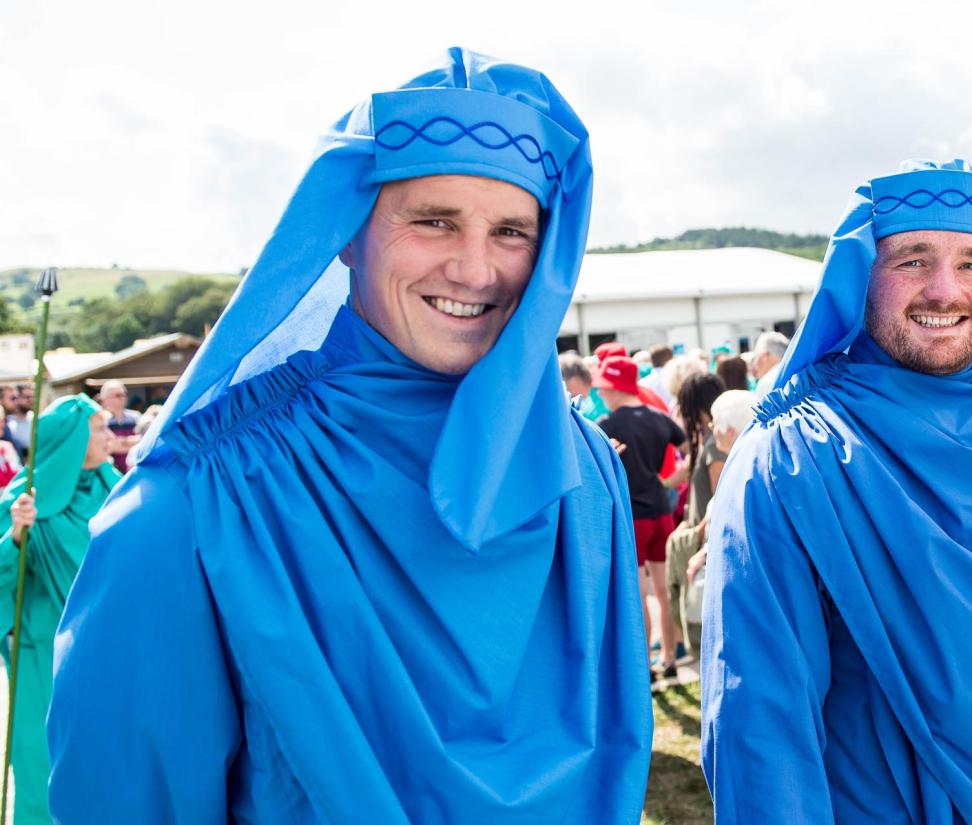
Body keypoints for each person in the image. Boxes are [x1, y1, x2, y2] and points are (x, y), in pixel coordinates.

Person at [47, 49, 652, 823]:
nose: (475, 269)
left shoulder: (585, 473)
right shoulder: (194, 508)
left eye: (511, 231)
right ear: (345, 231)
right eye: (433, 220)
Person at [700, 160, 972, 823]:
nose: (943, 289)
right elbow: (760, 729)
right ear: (859, 275)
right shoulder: (791, 460)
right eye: (912, 259)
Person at [1, 395, 119, 824]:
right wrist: (16, 538)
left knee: (103, 760)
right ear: (71, 441)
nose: (111, 437)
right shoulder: (22, 503)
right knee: (41, 763)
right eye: (100, 429)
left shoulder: (116, 487)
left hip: (103, 651)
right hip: (41, 655)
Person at [595, 355, 687, 680]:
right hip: (661, 511)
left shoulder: (607, 425)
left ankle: (645, 665)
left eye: (604, 388)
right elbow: (690, 447)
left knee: (638, 594)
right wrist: (670, 481)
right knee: (663, 592)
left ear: (615, 387)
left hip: (633, 517)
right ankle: (671, 658)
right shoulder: (658, 417)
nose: (601, 394)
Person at [664, 372, 726, 659]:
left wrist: (702, 535)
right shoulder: (709, 438)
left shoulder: (716, 442)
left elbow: (720, 496)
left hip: (707, 543)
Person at [97, 380, 141, 473]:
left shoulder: (135, 416)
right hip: (110, 473)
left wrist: (121, 442)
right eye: (117, 395)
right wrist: (132, 444)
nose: (122, 398)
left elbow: (143, 441)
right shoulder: (99, 420)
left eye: (124, 394)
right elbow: (109, 446)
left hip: (134, 473)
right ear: (105, 399)